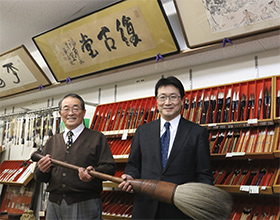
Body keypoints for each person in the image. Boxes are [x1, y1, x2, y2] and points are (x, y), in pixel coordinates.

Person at [119, 76, 214, 219]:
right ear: (156, 101)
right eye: (162, 97)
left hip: (180, 211)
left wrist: (200, 201)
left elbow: (204, 174)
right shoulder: (142, 131)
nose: (167, 102)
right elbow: (133, 165)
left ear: (182, 100)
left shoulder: (197, 133)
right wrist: (130, 176)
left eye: (173, 97)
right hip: (145, 209)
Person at [33, 93, 115, 220]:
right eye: (66, 109)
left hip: (85, 204)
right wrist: (42, 170)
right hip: (54, 204)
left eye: (75, 109)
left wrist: (93, 174)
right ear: (60, 114)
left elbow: (110, 168)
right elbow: (39, 177)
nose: (70, 113)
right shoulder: (52, 141)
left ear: (83, 113)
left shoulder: (97, 138)